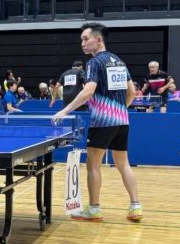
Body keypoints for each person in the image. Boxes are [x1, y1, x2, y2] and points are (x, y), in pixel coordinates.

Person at [52, 22, 142, 222]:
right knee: (123, 163)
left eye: (86, 39)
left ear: (98, 39)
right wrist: (120, 110)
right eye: (81, 40)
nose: (82, 43)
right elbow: (132, 91)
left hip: (102, 122)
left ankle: (94, 209)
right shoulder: (119, 61)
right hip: (122, 120)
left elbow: (88, 91)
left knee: (93, 164)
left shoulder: (94, 63)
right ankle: (135, 206)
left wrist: (65, 110)